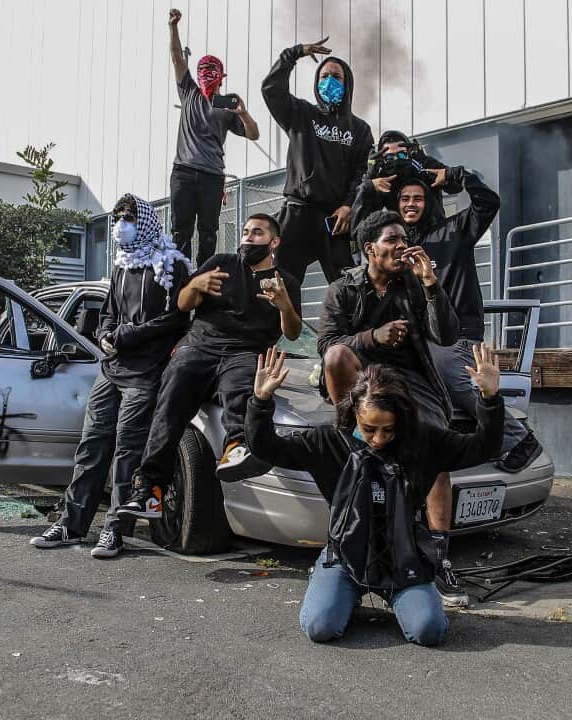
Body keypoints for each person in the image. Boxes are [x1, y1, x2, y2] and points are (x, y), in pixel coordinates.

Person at [245, 345, 504, 646]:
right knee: (320, 626)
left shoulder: (423, 441)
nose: (379, 439)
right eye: (369, 429)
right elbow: (267, 449)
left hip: (402, 557)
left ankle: (407, 596)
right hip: (346, 556)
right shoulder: (328, 442)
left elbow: (483, 447)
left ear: (402, 418)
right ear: (354, 412)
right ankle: (340, 591)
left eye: (388, 429)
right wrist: (260, 401)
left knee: (428, 630)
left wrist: (490, 400)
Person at [315, 209, 471, 607]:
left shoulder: (414, 285)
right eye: (393, 240)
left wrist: (432, 286)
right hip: (363, 379)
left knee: (435, 455)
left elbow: (447, 334)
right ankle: (355, 438)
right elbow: (327, 345)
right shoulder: (343, 289)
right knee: (336, 356)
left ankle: (439, 559)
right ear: (370, 248)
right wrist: (373, 337)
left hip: (413, 381)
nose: (402, 246)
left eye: (405, 239)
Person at [30, 194, 191, 558]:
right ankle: (72, 525)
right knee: (91, 446)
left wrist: (126, 336)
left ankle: (115, 531)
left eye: (129, 216)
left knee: (127, 454)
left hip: (144, 373)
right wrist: (104, 335)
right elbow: (107, 311)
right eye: (118, 217)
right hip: (111, 369)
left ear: (145, 220)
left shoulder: (169, 264)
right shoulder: (121, 264)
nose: (122, 223)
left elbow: (177, 319)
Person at [117, 213, 303, 520]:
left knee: (241, 388)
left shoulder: (287, 281)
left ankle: (237, 448)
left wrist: (284, 305)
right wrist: (197, 284)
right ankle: (149, 490)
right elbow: (182, 305)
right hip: (199, 346)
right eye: (245, 231)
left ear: (274, 241)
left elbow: (293, 333)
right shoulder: (221, 262)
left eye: (256, 233)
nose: (247, 238)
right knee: (170, 404)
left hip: (245, 352)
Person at [395, 165, 544, 474]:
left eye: (418, 198)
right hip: (424, 336)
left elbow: (488, 203)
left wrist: (454, 176)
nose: (411, 204)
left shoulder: (454, 231)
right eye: (405, 198)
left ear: (430, 202)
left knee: (449, 371)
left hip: (458, 331)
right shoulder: (397, 245)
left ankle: (519, 439)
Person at [261, 35, 373, 284]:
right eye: (324, 76)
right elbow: (271, 89)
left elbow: (363, 173)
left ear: (347, 85)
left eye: (336, 77)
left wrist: (348, 206)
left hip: (336, 220)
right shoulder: (301, 113)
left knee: (348, 285)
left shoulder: (360, 129)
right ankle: (284, 325)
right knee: (283, 282)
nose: (330, 81)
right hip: (297, 213)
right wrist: (294, 54)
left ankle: (348, 324)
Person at [167, 8, 260, 264]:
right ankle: (180, 279)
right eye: (203, 71)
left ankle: (204, 275)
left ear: (221, 77)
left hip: (211, 175)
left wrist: (243, 113)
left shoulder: (227, 107)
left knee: (208, 233)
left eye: (212, 71)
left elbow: (254, 134)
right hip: (184, 171)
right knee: (181, 231)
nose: (207, 76)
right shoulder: (189, 92)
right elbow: (177, 58)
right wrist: (173, 27)